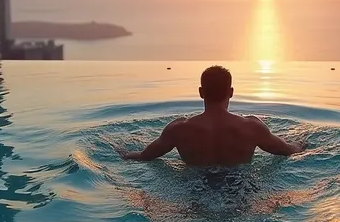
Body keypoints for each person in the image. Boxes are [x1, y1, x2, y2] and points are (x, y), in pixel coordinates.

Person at [119, 65, 305, 166]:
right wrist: (302, 143)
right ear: (231, 92)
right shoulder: (252, 127)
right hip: (239, 191)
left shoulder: (178, 129)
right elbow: (287, 150)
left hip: (195, 192)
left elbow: (144, 157)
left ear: (201, 92)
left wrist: (120, 151)